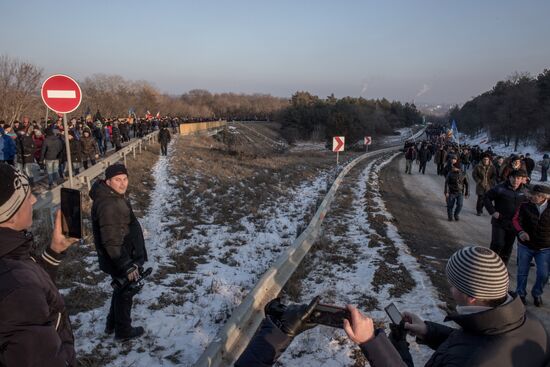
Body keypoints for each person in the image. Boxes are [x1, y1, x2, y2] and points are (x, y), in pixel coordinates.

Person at [236, 246, 549, 367]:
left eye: (452, 282)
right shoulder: (528, 324)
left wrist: (370, 341)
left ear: (468, 295)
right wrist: (429, 331)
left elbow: (470, 353)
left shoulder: (475, 360)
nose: (448, 286)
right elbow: (474, 339)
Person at [0, 163, 78, 366]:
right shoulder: (17, 290)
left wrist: (53, 251)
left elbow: (30, 282)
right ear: (10, 213)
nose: (34, 199)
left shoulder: (11, 256)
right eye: (27, 197)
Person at [89, 163, 148, 340]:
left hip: (121, 255)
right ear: (108, 182)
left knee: (120, 288)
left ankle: (111, 324)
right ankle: (123, 331)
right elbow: (111, 241)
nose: (122, 184)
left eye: (125, 179)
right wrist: (127, 265)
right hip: (119, 257)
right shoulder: (109, 204)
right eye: (117, 180)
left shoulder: (113, 196)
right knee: (125, 293)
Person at [512, 184, 550, 307]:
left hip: (544, 248)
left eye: (536, 195)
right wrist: (521, 232)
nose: (532, 196)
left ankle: (537, 293)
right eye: (532, 194)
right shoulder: (525, 206)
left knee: (543, 274)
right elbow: (516, 220)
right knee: (522, 272)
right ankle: (521, 294)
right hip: (525, 246)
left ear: (544, 197)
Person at [483, 169, 528, 266]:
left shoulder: (524, 191)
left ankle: (503, 267)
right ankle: (490, 264)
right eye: (514, 178)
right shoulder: (500, 188)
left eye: (519, 178)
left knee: (508, 246)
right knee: (498, 243)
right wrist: (493, 212)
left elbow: (530, 204)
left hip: (514, 223)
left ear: (522, 180)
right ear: (509, 177)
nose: (516, 180)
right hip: (499, 221)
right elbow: (486, 198)